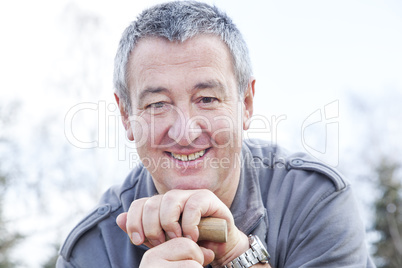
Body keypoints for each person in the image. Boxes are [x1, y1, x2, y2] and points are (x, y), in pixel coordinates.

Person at [57, 1, 375, 267]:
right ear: (127, 115)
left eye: (207, 99)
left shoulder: (314, 202)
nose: (185, 132)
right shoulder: (92, 250)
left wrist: (238, 256)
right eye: (157, 104)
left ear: (246, 104)